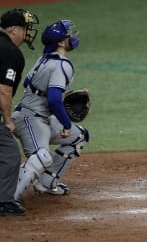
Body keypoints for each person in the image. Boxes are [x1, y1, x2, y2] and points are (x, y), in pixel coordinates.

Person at [13, 19, 89, 201]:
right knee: (42, 157)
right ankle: (7, 196)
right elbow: (54, 99)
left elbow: (27, 83)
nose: (72, 37)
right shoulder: (62, 65)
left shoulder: (44, 58)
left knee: (79, 137)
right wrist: (66, 122)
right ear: (61, 42)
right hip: (29, 119)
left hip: (41, 118)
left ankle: (47, 183)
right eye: (69, 34)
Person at [0, 8, 39, 216]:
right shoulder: (10, 52)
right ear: (14, 30)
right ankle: (3, 202)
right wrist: (7, 119)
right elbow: (4, 89)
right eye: (25, 28)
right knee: (9, 153)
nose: (27, 32)